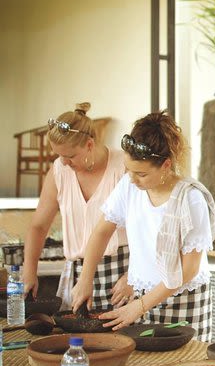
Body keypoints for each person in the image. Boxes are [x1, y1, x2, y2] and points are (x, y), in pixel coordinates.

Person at [70, 111, 215, 342]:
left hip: (183, 300)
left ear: (166, 165)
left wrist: (139, 306)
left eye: (141, 173)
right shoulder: (129, 187)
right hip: (141, 297)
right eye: (129, 170)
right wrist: (85, 279)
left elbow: (188, 270)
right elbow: (101, 231)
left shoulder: (191, 199)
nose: (132, 179)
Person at [22, 102, 133, 311]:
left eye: (70, 156)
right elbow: (38, 226)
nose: (63, 162)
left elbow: (148, 227)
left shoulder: (124, 167)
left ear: (89, 144)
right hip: (77, 276)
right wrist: (29, 269)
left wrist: (134, 275)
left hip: (122, 274)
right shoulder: (59, 172)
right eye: (58, 155)